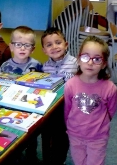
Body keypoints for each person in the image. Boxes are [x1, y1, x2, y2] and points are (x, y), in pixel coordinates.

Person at [64, 36, 117, 165]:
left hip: (98, 137)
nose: (90, 63)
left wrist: (99, 126)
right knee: (79, 162)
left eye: (97, 59)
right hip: (75, 134)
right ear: (78, 59)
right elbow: (67, 109)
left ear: (104, 63)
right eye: (85, 57)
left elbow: (111, 111)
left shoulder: (110, 88)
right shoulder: (71, 84)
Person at [40, 27, 78, 165]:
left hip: (67, 108)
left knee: (62, 136)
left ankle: (58, 161)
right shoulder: (45, 67)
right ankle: (46, 159)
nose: (54, 47)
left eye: (58, 42)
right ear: (44, 50)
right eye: (49, 45)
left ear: (66, 44)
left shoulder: (75, 63)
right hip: (50, 107)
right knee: (46, 133)